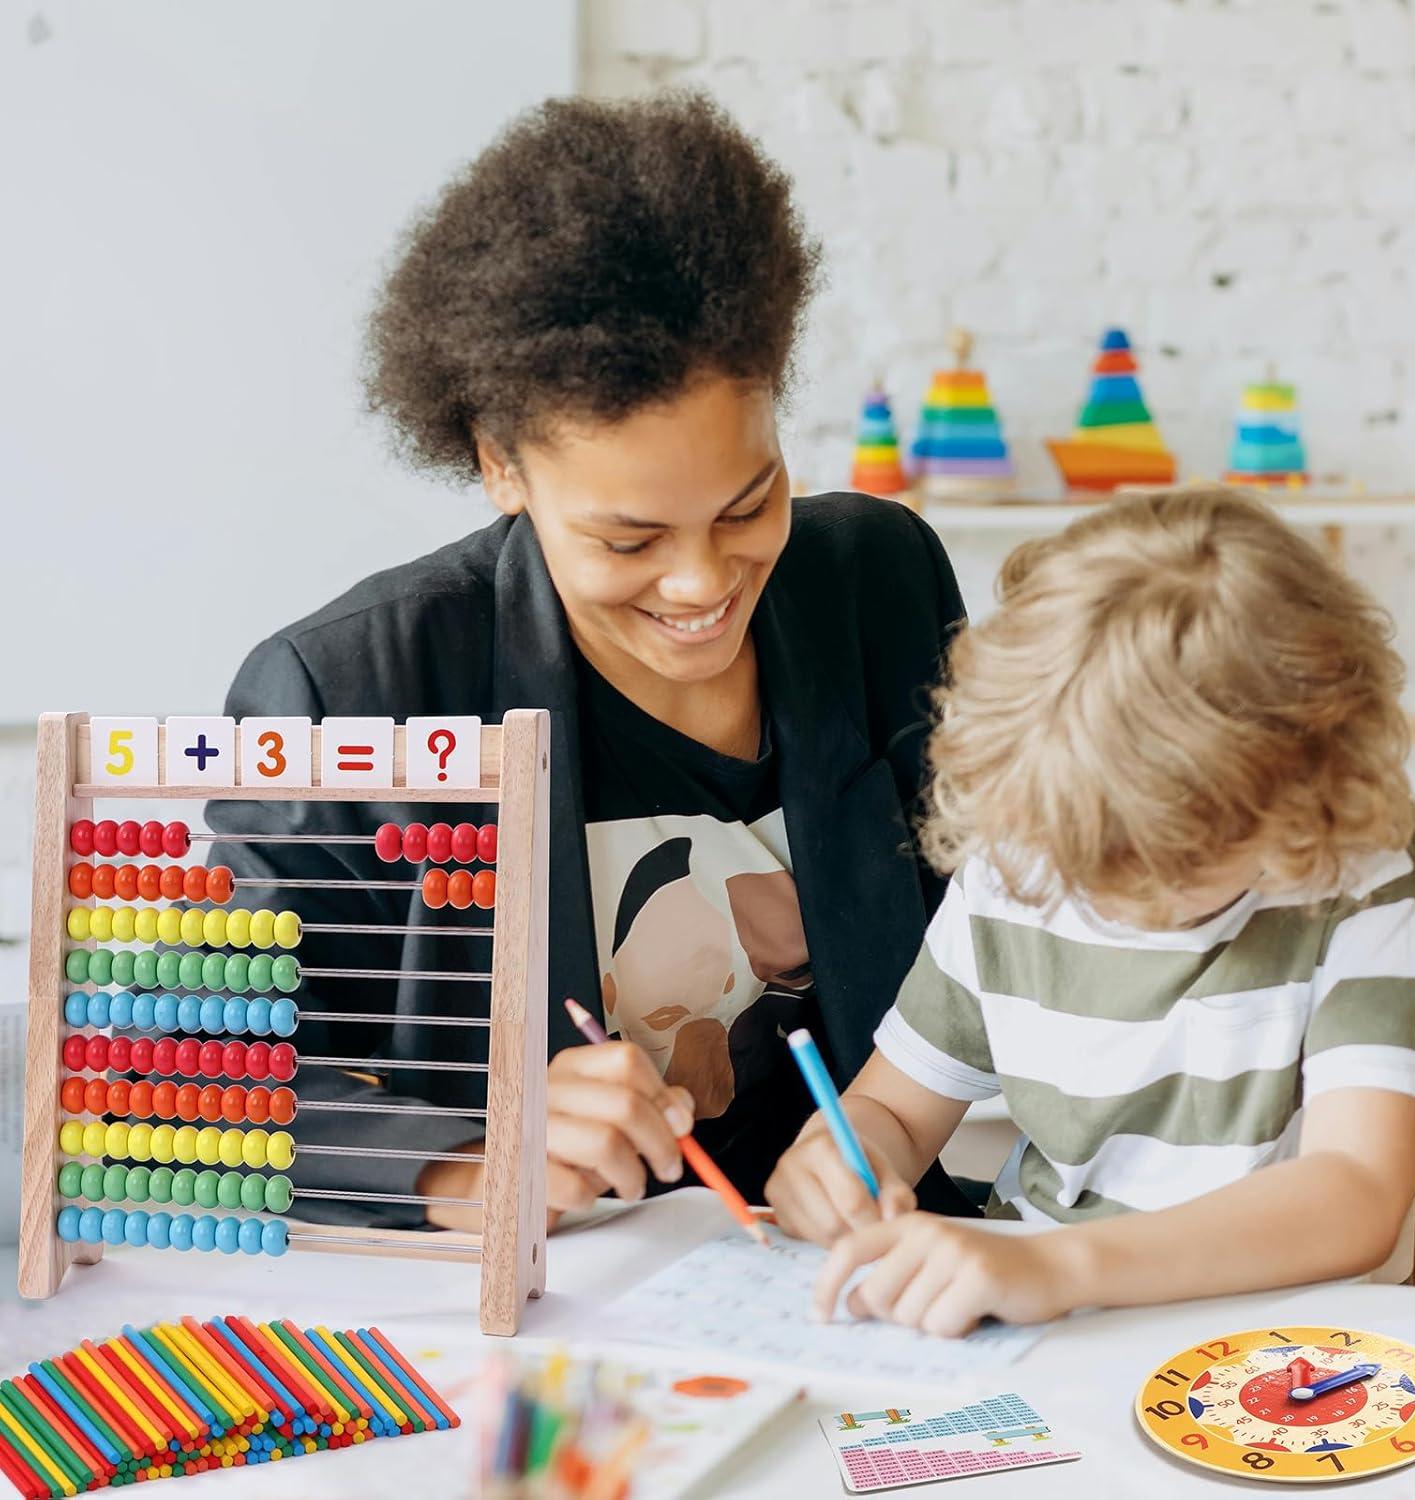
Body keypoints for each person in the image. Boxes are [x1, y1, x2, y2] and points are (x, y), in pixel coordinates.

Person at [207, 92, 972, 1232]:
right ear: (499, 467)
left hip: (866, 1268)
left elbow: (995, 925)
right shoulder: (357, 691)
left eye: (749, 502)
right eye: (630, 541)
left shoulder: (880, 581)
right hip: (561, 1297)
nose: (705, 583)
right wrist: (468, 1164)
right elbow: (176, 1074)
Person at [766, 486, 1415, 1333]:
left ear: (1302, 798)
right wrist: (842, 1155)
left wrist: (1059, 1265)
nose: (1113, 897)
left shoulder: (1361, 877)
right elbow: (893, 1111)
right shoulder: (1019, 856)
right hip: (1040, 1334)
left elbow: (1353, 1196)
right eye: (1079, 860)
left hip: (1277, 1356)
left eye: (1172, 865)